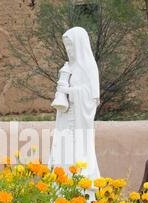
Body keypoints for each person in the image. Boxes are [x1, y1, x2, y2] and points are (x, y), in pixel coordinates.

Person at [49, 27, 101, 191]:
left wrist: (70, 92)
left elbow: (91, 98)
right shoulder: (69, 67)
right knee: (63, 156)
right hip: (66, 122)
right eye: (67, 47)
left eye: (71, 46)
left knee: (78, 158)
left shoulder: (89, 67)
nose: (69, 50)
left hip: (79, 124)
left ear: (80, 45)